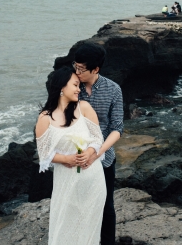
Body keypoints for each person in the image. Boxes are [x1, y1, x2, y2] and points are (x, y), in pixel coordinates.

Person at [35, 66, 106, 245]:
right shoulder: (45, 118)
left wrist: (89, 153)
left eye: (79, 86)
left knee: (89, 230)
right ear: (61, 87)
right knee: (65, 226)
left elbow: (98, 139)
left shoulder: (84, 108)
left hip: (93, 180)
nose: (78, 89)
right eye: (75, 85)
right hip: (66, 182)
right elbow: (44, 155)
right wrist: (66, 159)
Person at [72, 43, 123, 245]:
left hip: (104, 158)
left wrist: (98, 152)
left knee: (106, 206)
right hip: (75, 157)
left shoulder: (113, 89)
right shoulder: (71, 86)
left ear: (96, 69)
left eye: (81, 69)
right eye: (75, 66)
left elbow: (117, 127)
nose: (77, 72)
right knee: (77, 205)